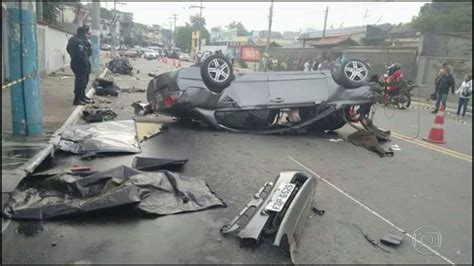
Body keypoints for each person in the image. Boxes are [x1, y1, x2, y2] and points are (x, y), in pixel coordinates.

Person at [67, 25, 92, 105]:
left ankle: (82, 97)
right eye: (86, 33)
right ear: (83, 33)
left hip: (77, 63)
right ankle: (77, 99)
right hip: (80, 64)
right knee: (80, 82)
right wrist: (85, 63)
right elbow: (81, 55)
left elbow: (68, 49)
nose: (86, 35)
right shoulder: (78, 41)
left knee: (83, 81)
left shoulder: (73, 39)